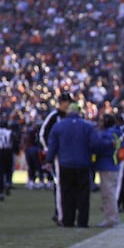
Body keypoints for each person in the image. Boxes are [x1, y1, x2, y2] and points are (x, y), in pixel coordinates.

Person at [44, 103, 95, 227]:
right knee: (83, 194)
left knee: (67, 193)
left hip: (65, 164)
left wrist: (49, 161)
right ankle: (82, 221)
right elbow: (95, 144)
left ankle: (68, 220)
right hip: (83, 164)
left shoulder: (58, 126)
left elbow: (53, 146)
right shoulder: (88, 126)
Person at [40, 92, 73, 220]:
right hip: (58, 156)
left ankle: (64, 211)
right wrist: (50, 151)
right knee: (59, 184)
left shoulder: (71, 116)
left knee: (68, 184)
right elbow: (43, 134)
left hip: (69, 155)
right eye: (68, 102)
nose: (69, 105)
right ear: (63, 103)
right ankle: (60, 213)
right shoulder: (54, 116)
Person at [91, 113, 121, 228]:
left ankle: (111, 219)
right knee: (110, 193)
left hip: (107, 165)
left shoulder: (108, 134)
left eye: (102, 121)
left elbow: (100, 146)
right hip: (112, 165)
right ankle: (112, 217)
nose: (99, 123)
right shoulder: (115, 132)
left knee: (108, 194)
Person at [0, 120, 15, 201]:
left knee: (1, 172)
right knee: (9, 170)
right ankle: (8, 183)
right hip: (8, 151)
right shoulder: (9, 132)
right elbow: (13, 141)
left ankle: (1, 192)